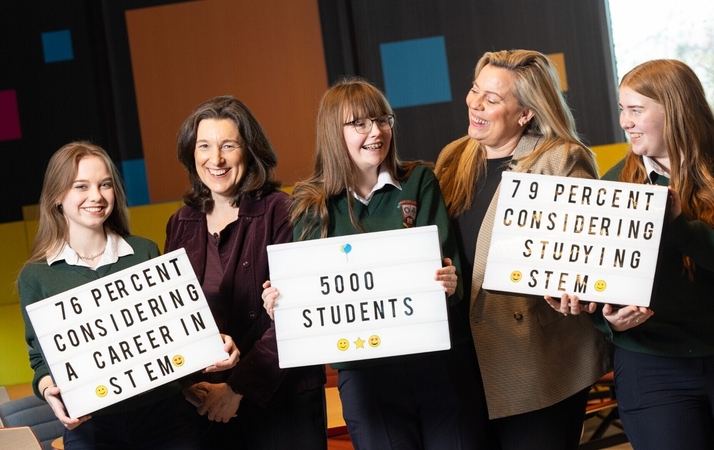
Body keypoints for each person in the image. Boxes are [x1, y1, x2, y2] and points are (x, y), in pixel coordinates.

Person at [550, 59, 714, 449]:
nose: (625, 122)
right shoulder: (614, 183)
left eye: (636, 110)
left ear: (676, 110)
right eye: (622, 109)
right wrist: (605, 317)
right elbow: (598, 282)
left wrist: (680, 225)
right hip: (651, 368)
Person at [262, 77, 486, 450]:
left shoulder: (419, 180)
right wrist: (283, 306)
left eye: (383, 120)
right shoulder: (310, 203)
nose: (376, 132)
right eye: (359, 123)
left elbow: (452, 274)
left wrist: (450, 281)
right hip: (366, 378)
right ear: (334, 133)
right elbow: (307, 295)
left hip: (438, 364)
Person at [434, 49, 612, 450]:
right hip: (465, 359)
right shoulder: (453, 157)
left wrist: (579, 290)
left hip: (538, 362)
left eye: (492, 99)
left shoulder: (562, 159)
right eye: (475, 90)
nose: (476, 104)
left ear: (525, 114)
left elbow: (590, 256)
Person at [17, 141, 239, 449]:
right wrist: (48, 390)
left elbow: (175, 333)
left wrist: (212, 345)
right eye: (81, 186)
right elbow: (40, 359)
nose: (96, 196)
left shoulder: (144, 252)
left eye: (105, 184)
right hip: (92, 427)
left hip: (164, 418)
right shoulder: (36, 276)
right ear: (57, 196)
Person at [165, 96, 327, 449]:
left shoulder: (282, 211)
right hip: (206, 405)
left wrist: (237, 389)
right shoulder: (181, 223)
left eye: (228, 145)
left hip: (282, 402)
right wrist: (187, 384)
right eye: (204, 146)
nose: (216, 159)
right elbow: (172, 316)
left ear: (250, 151)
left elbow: (300, 316)